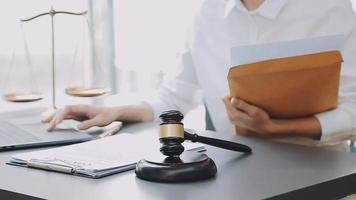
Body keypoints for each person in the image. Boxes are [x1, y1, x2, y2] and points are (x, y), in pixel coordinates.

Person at [43, 0, 356, 151]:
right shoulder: (206, 13)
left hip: (319, 177)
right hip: (237, 168)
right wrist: (113, 110)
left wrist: (276, 128)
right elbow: (175, 94)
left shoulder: (329, 8)